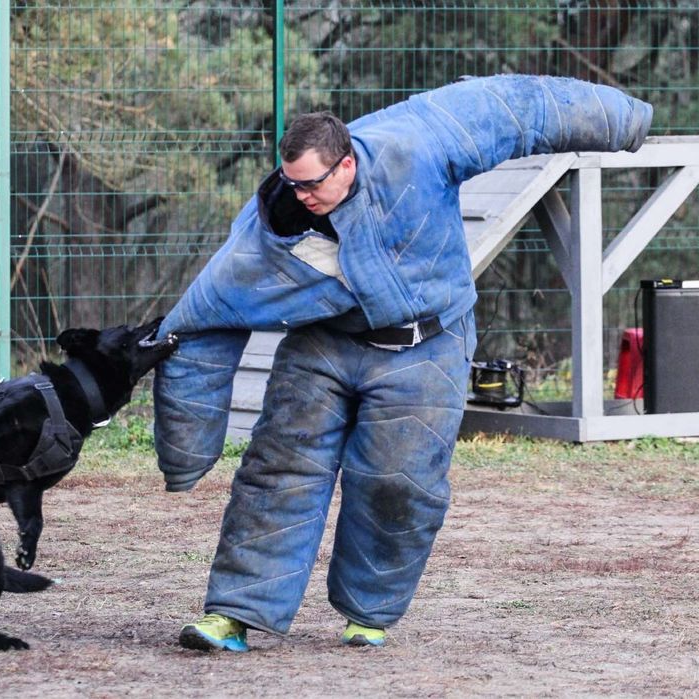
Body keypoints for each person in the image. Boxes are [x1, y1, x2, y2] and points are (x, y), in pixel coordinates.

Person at [152, 74, 653, 652]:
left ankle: (369, 614)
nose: (299, 196)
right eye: (291, 183)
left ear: (346, 165)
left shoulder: (415, 142)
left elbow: (518, 108)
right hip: (323, 346)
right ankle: (234, 613)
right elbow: (200, 319)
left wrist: (627, 121)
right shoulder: (269, 222)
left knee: (400, 481)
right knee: (276, 470)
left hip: (429, 345)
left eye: (311, 184)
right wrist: (186, 451)